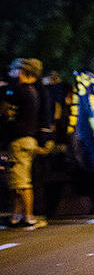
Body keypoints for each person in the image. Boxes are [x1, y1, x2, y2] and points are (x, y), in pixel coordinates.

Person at [2, 58, 47, 229]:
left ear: (22, 73)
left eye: (17, 71)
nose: (14, 74)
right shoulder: (33, 91)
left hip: (20, 141)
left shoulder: (20, 91)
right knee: (17, 181)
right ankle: (17, 216)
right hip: (28, 140)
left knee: (21, 181)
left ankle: (28, 216)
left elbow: (6, 109)